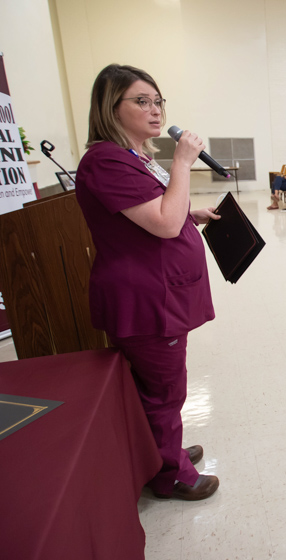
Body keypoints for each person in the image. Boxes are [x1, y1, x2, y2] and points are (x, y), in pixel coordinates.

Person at [75, 64, 219, 501]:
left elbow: (155, 211)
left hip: (160, 291)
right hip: (146, 300)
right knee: (164, 390)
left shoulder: (134, 157)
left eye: (158, 101)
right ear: (109, 107)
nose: (155, 111)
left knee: (159, 387)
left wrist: (187, 212)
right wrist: (181, 162)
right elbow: (161, 222)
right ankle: (170, 473)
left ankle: (164, 449)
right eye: (142, 101)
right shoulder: (105, 159)